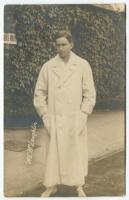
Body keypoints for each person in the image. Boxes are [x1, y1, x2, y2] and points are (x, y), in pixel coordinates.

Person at [33, 30, 96, 197]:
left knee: (75, 152)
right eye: (58, 45)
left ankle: (78, 185)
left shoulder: (82, 65)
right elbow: (39, 93)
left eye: (64, 45)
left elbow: (89, 93)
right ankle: (51, 185)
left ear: (71, 44)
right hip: (54, 118)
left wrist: (83, 114)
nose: (60, 48)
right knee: (53, 153)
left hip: (75, 117)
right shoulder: (48, 66)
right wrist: (45, 115)